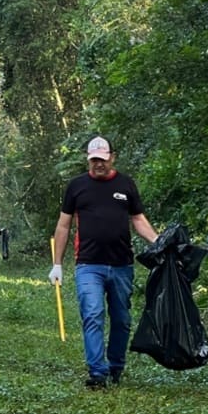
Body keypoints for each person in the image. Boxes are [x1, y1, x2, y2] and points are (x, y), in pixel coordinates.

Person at [49, 136, 159, 389]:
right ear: (88, 160)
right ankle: (98, 373)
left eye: (102, 158)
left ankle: (116, 367)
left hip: (122, 265)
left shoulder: (126, 184)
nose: (98, 164)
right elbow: (64, 225)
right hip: (89, 265)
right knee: (93, 314)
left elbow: (138, 219)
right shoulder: (76, 186)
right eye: (93, 160)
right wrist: (57, 265)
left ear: (112, 156)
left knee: (121, 319)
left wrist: (158, 241)